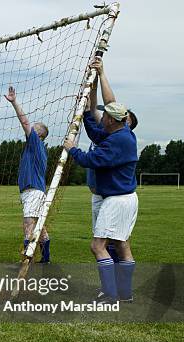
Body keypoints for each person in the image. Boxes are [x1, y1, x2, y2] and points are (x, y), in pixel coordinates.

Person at [64, 99, 138, 304]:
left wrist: (72, 149)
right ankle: (125, 293)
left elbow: (92, 160)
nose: (102, 117)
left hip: (116, 200)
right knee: (122, 245)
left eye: (104, 115)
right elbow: (97, 134)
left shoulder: (117, 140)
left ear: (112, 120)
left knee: (97, 246)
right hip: (126, 198)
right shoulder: (122, 133)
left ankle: (110, 294)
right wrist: (87, 113)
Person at [86, 57, 138, 262]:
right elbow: (94, 109)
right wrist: (93, 83)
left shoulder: (121, 135)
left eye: (126, 119)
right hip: (99, 193)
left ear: (124, 122)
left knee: (107, 244)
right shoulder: (106, 131)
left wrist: (102, 73)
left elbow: (110, 104)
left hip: (113, 196)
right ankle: (116, 289)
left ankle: (114, 289)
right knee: (112, 242)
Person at [4, 86, 51, 263]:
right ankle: (45, 259)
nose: (30, 128)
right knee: (40, 226)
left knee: (28, 225)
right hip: (33, 191)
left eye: (34, 128)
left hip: (33, 191)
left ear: (38, 134)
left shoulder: (36, 143)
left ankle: (26, 260)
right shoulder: (35, 147)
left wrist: (14, 102)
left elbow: (24, 122)